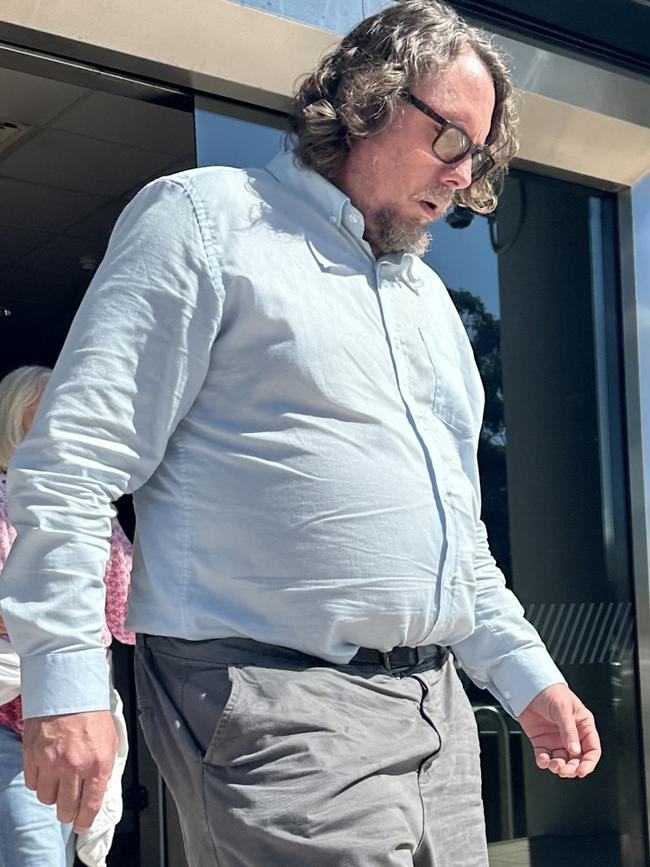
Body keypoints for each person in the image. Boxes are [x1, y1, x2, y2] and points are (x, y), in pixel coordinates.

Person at [0, 2, 601, 865]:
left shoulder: (429, 305)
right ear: (369, 100)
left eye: (480, 158)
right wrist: (66, 680)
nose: (465, 178)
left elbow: (454, 539)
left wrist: (526, 675)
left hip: (442, 718)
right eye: (452, 140)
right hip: (276, 704)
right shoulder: (208, 221)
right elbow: (70, 465)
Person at [0, 366, 134, 867]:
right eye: (46, 419)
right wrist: (59, 617)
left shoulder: (89, 512)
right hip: (13, 716)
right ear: (14, 423)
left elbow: (125, 617)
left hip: (77, 710)